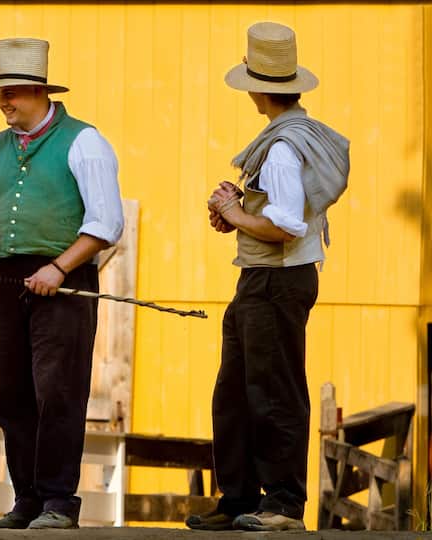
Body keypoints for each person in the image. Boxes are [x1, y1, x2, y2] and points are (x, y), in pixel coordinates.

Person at [187, 22, 349, 532]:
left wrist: (232, 214)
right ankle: (238, 498)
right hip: (261, 279)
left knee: (273, 389)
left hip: (276, 280)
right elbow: (274, 214)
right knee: (234, 389)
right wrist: (236, 205)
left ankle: (282, 505)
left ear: (260, 89)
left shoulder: (281, 148)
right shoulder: (291, 136)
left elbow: (285, 225)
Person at [0, 37, 124, 530]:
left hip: (65, 278)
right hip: (10, 280)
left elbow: (106, 222)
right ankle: (27, 500)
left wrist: (58, 268)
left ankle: (58, 502)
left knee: (58, 390)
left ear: (39, 92)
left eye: (11, 92)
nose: (2, 101)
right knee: (11, 394)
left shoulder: (84, 141)